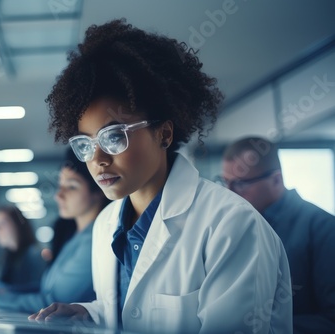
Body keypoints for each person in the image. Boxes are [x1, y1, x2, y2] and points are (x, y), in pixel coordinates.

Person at [29, 19, 293, 333]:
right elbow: (132, 308)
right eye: (85, 145)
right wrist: (89, 314)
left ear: (164, 134)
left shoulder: (231, 225)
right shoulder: (107, 224)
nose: (97, 159)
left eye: (114, 137)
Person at [218, 136, 335, 333]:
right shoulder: (233, 228)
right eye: (225, 182)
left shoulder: (324, 229)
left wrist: (262, 328)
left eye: (240, 183)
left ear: (276, 179)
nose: (229, 193)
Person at [0, 148, 110, 313]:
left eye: (72, 187)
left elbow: (53, 301)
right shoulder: (75, 237)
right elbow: (46, 289)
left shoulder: (94, 242)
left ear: (98, 191)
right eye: (60, 185)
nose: (58, 195)